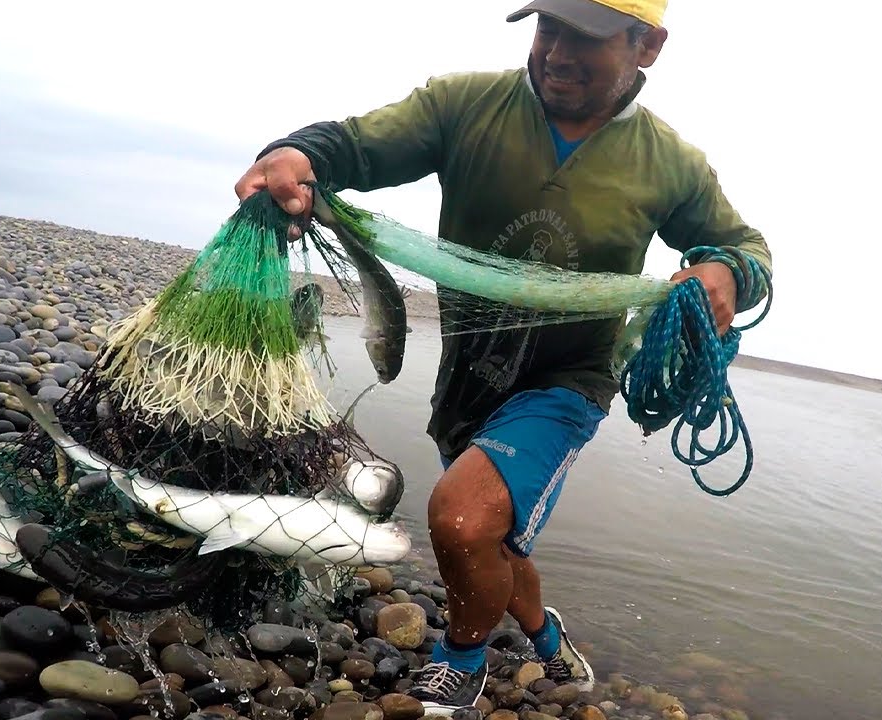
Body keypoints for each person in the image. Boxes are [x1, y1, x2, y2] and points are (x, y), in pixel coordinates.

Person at [234, 0, 773, 713]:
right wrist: (296, 154)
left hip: (567, 381)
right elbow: (358, 146)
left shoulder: (670, 164)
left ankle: (460, 662)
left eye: (587, 37)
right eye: (549, 26)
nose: (557, 51)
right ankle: (546, 637)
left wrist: (726, 273)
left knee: (461, 520)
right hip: (469, 374)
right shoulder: (464, 104)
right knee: (496, 535)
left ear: (648, 47)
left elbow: (746, 250)